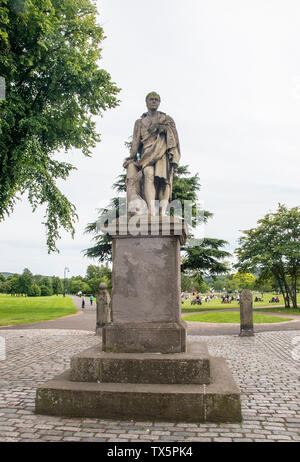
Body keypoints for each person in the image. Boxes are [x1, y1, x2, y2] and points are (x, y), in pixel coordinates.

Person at [124, 92, 181, 216]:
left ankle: (163, 211)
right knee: (148, 173)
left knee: (164, 181)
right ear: (146, 102)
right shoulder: (139, 123)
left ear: (159, 102)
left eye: (156, 99)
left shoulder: (166, 120)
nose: (154, 101)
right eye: (151, 99)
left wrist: (165, 129)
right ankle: (152, 210)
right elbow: (135, 142)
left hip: (163, 153)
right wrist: (131, 158)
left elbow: (175, 138)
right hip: (146, 156)